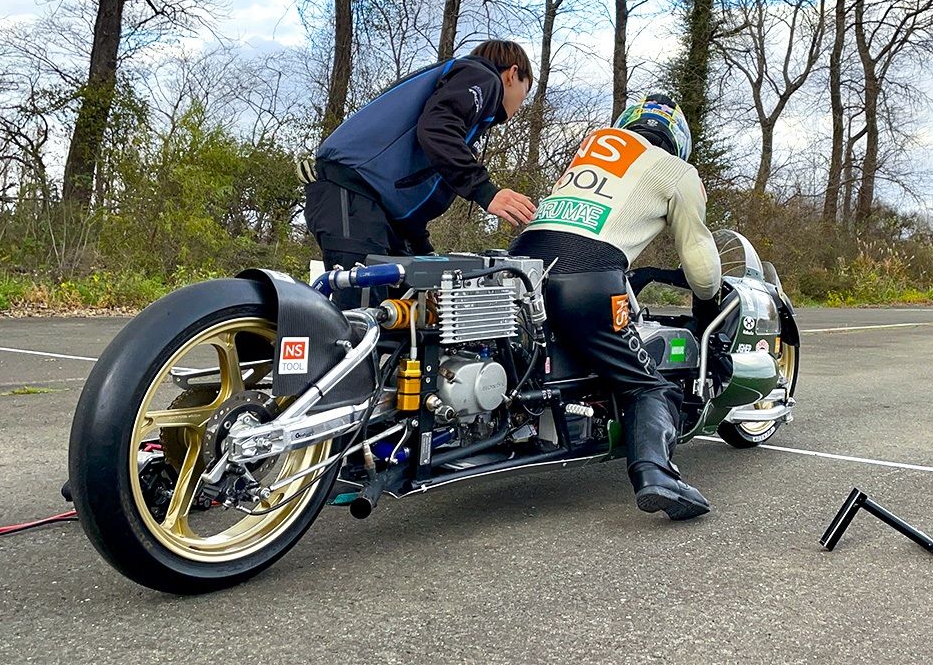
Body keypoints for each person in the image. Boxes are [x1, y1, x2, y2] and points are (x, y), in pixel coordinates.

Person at [509, 94, 722, 521]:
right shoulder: (677, 171)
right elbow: (701, 270)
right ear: (677, 139)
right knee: (648, 385)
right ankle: (657, 476)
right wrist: (709, 305)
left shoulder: (593, 149)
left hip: (519, 268)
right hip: (587, 278)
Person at [300, 40, 538, 309]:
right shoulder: (483, 77)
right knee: (362, 314)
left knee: (412, 307)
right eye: (525, 91)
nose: (520, 105)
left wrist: (425, 254)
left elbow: (409, 193)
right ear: (512, 74)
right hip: (351, 193)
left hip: (376, 207)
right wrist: (485, 191)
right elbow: (438, 129)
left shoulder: (462, 99)